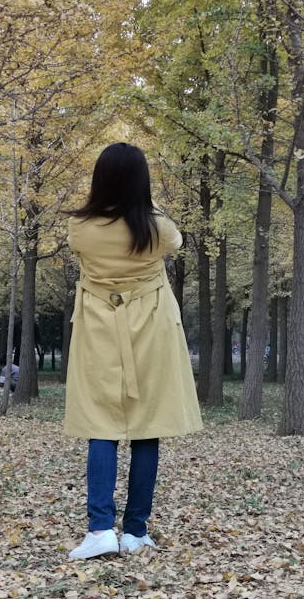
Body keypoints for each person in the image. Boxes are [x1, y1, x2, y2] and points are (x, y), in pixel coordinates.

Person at [63, 143, 203, 560]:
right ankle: (136, 531)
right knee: (147, 425)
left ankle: (100, 529)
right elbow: (176, 240)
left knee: (100, 424)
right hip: (152, 326)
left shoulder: (80, 227)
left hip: (99, 326)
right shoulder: (155, 227)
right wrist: (146, 201)